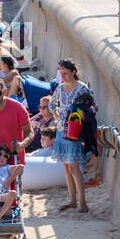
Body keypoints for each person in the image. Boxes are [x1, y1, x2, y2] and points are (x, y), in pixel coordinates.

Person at [50, 58, 93, 214]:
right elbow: (51, 104)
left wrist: (79, 115)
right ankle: (73, 201)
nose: (63, 76)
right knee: (67, 167)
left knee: (74, 167)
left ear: (74, 72)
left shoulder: (82, 88)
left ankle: (83, 202)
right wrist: (55, 114)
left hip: (74, 130)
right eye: (61, 73)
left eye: (66, 73)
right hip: (62, 130)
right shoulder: (60, 88)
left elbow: (92, 106)